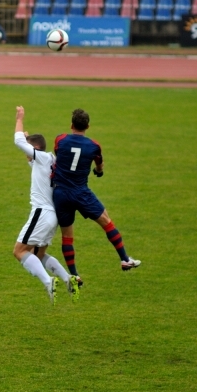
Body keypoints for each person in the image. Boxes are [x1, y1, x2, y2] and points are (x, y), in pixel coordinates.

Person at [52, 109, 141, 282]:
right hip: (81, 192)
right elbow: (99, 165)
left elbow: (59, 154)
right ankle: (124, 259)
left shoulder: (60, 139)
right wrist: (98, 172)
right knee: (107, 222)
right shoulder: (93, 146)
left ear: (71, 125)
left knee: (67, 236)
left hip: (61, 193)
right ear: (88, 126)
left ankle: (74, 274)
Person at [12, 106, 80, 304]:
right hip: (53, 216)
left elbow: (18, 142)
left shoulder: (41, 157)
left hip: (41, 213)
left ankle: (48, 282)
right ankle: (68, 279)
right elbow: (29, 155)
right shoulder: (50, 160)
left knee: (19, 251)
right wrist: (27, 138)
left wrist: (19, 119)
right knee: (39, 254)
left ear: (35, 148)